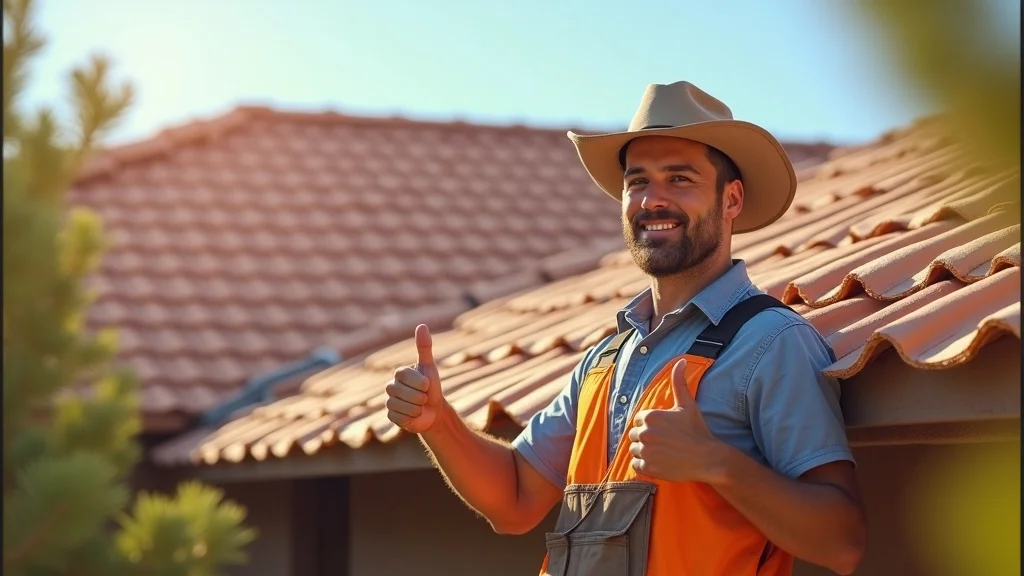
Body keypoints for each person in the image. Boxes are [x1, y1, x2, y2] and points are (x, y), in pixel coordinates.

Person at [385, 81, 867, 576]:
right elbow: (514, 502)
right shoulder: (605, 361)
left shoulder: (772, 343)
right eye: (638, 182)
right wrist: (438, 422)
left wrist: (715, 462)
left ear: (732, 199)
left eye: (680, 179)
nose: (652, 200)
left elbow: (841, 543)